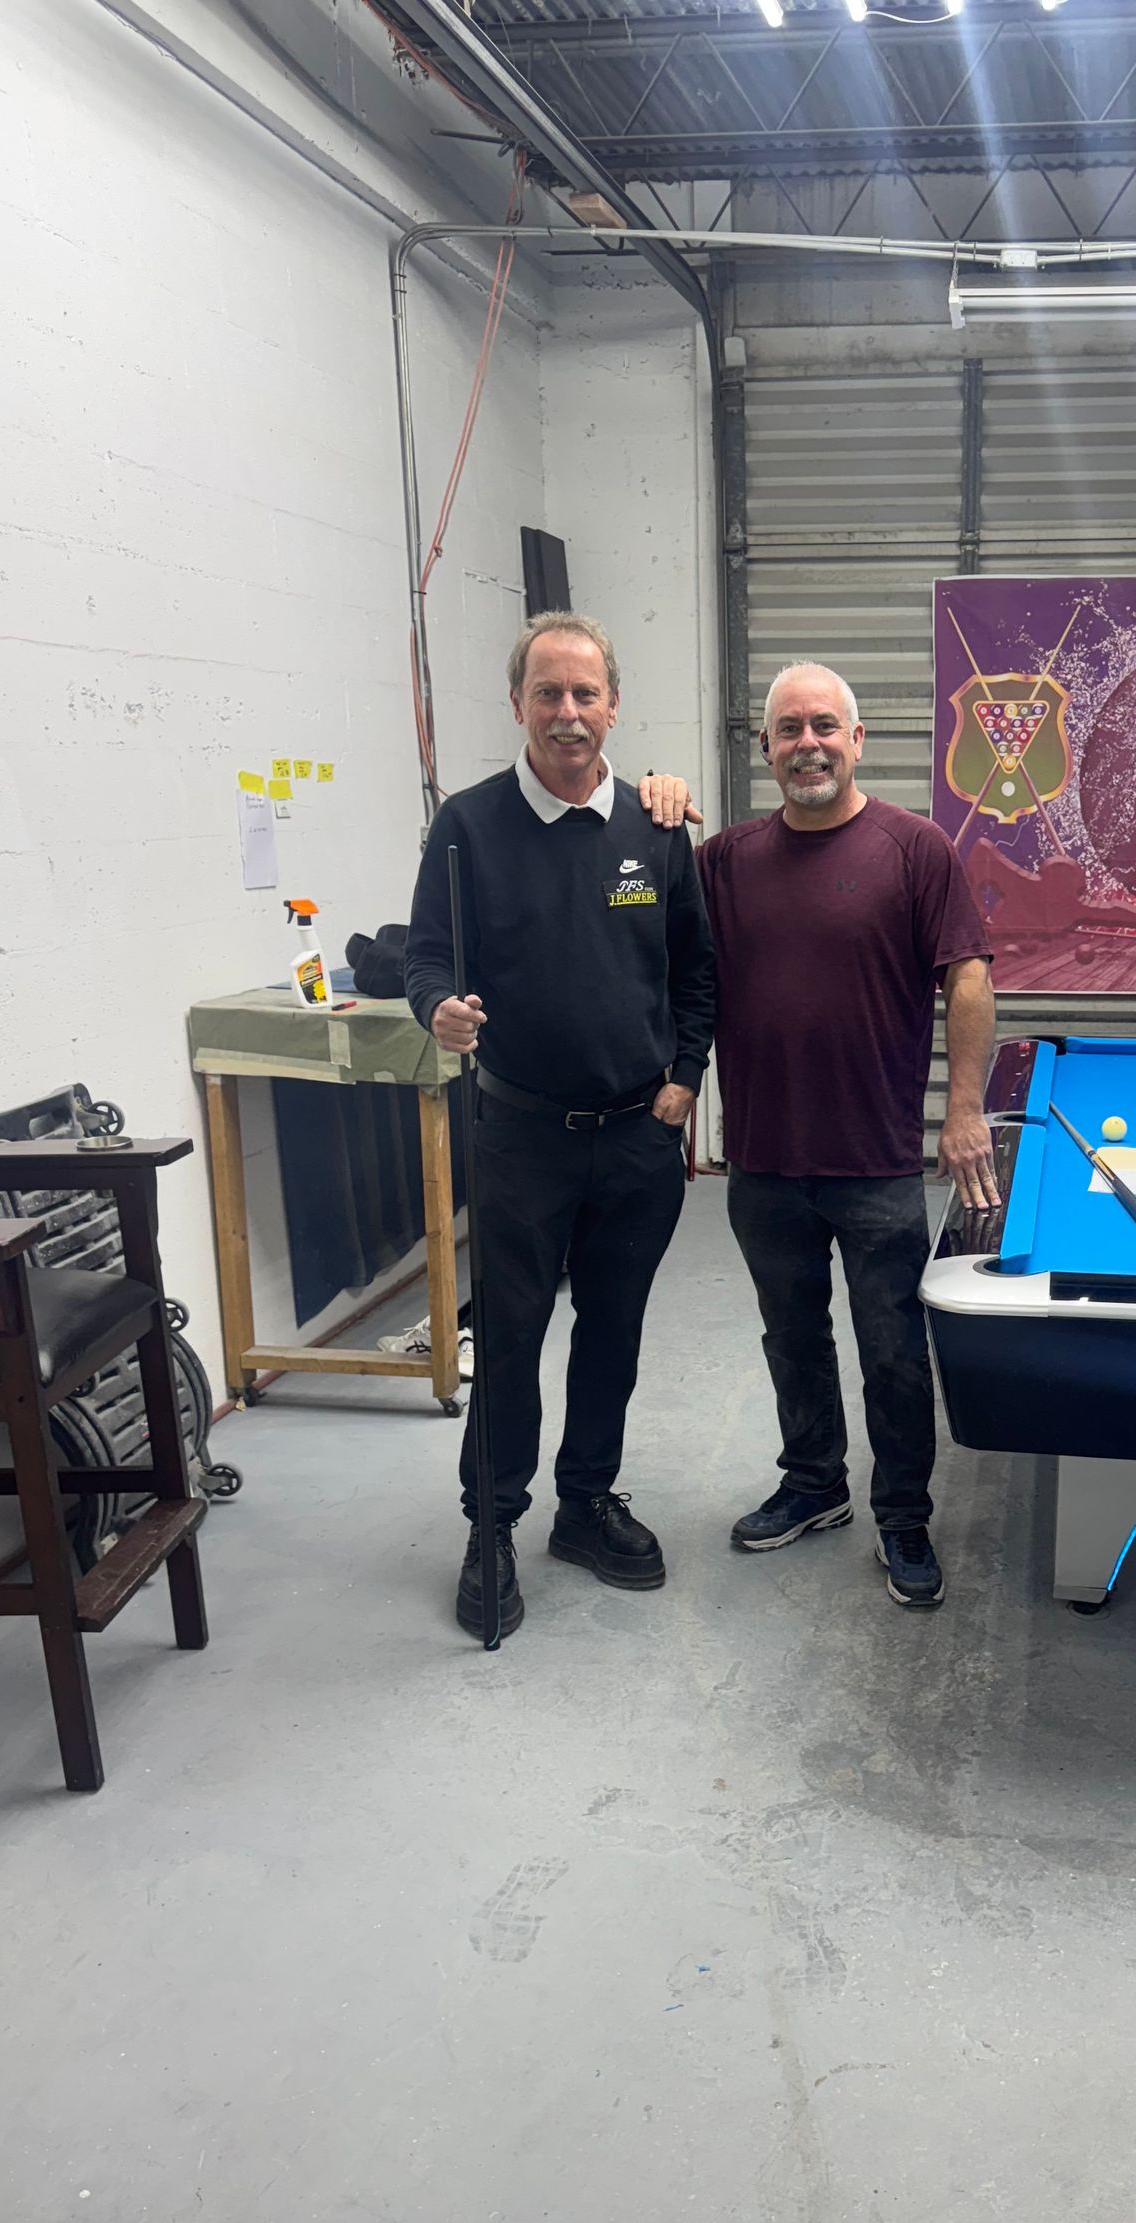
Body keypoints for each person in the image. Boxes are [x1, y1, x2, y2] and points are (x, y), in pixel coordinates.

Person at [405, 612, 715, 1640]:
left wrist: (685, 1076)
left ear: (613, 705)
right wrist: (436, 1006)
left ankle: (585, 1505)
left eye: (586, 694)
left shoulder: (658, 827)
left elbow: (700, 970)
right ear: (518, 705)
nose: (568, 713)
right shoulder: (467, 824)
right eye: (549, 693)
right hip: (521, 1136)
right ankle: (491, 1524)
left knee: (612, 1337)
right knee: (508, 1340)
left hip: (638, 1138)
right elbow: (426, 956)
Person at [698, 661, 997, 1610]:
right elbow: (669, 963)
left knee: (894, 1351)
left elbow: (971, 978)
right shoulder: (726, 861)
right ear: (767, 751)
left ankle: (902, 1515)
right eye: (788, 730)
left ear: (858, 739)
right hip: (763, 1161)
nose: (808, 743)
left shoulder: (916, 850)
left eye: (825, 725)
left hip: (873, 1164)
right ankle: (814, 1484)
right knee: (791, 1339)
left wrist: (962, 1109)